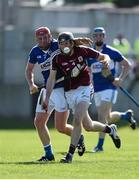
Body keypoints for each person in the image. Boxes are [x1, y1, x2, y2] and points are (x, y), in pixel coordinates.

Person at [43, 31, 121, 163]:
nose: (64, 46)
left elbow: (103, 56)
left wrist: (106, 62)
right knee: (88, 126)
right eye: (61, 44)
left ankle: (70, 155)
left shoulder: (82, 51)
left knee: (77, 119)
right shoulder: (56, 58)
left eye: (67, 43)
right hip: (70, 92)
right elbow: (51, 79)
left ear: (72, 43)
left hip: (85, 88)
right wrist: (47, 97)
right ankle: (110, 129)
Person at [25, 27, 91, 161]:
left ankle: (78, 136)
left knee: (60, 127)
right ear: (36, 39)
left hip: (62, 89)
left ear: (50, 37)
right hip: (47, 89)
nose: (43, 40)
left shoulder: (58, 44)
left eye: (46, 37)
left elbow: (70, 43)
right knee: (38, 122)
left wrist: (79, 40)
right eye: (40, 38)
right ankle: (48, 154)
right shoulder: (35, 51)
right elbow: (29, 70)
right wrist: (31, 84)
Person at [87, 27, 137, 153]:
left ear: (104, 37)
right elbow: (88, 70)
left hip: (109, 86)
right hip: (97, 88)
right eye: (96, 35)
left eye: (101, 35)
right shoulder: (90, 53)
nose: (98, 37)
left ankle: (99, 146)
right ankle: (125, 116)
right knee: (107, 118)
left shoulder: (111, 51)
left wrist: (120, 79)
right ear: (93, 37)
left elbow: (127, 65)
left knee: (101, 116)